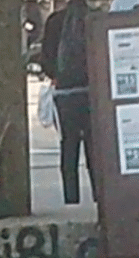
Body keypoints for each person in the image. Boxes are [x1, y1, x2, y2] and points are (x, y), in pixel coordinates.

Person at [40, 0, 98, 205]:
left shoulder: (55, 21)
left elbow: (45, 58)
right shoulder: (96, 18)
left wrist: (56, 76)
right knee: (94, 147)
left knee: (69, 145)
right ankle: (99, 194)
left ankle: (71, 198)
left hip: (65, 93)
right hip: (92, 92)